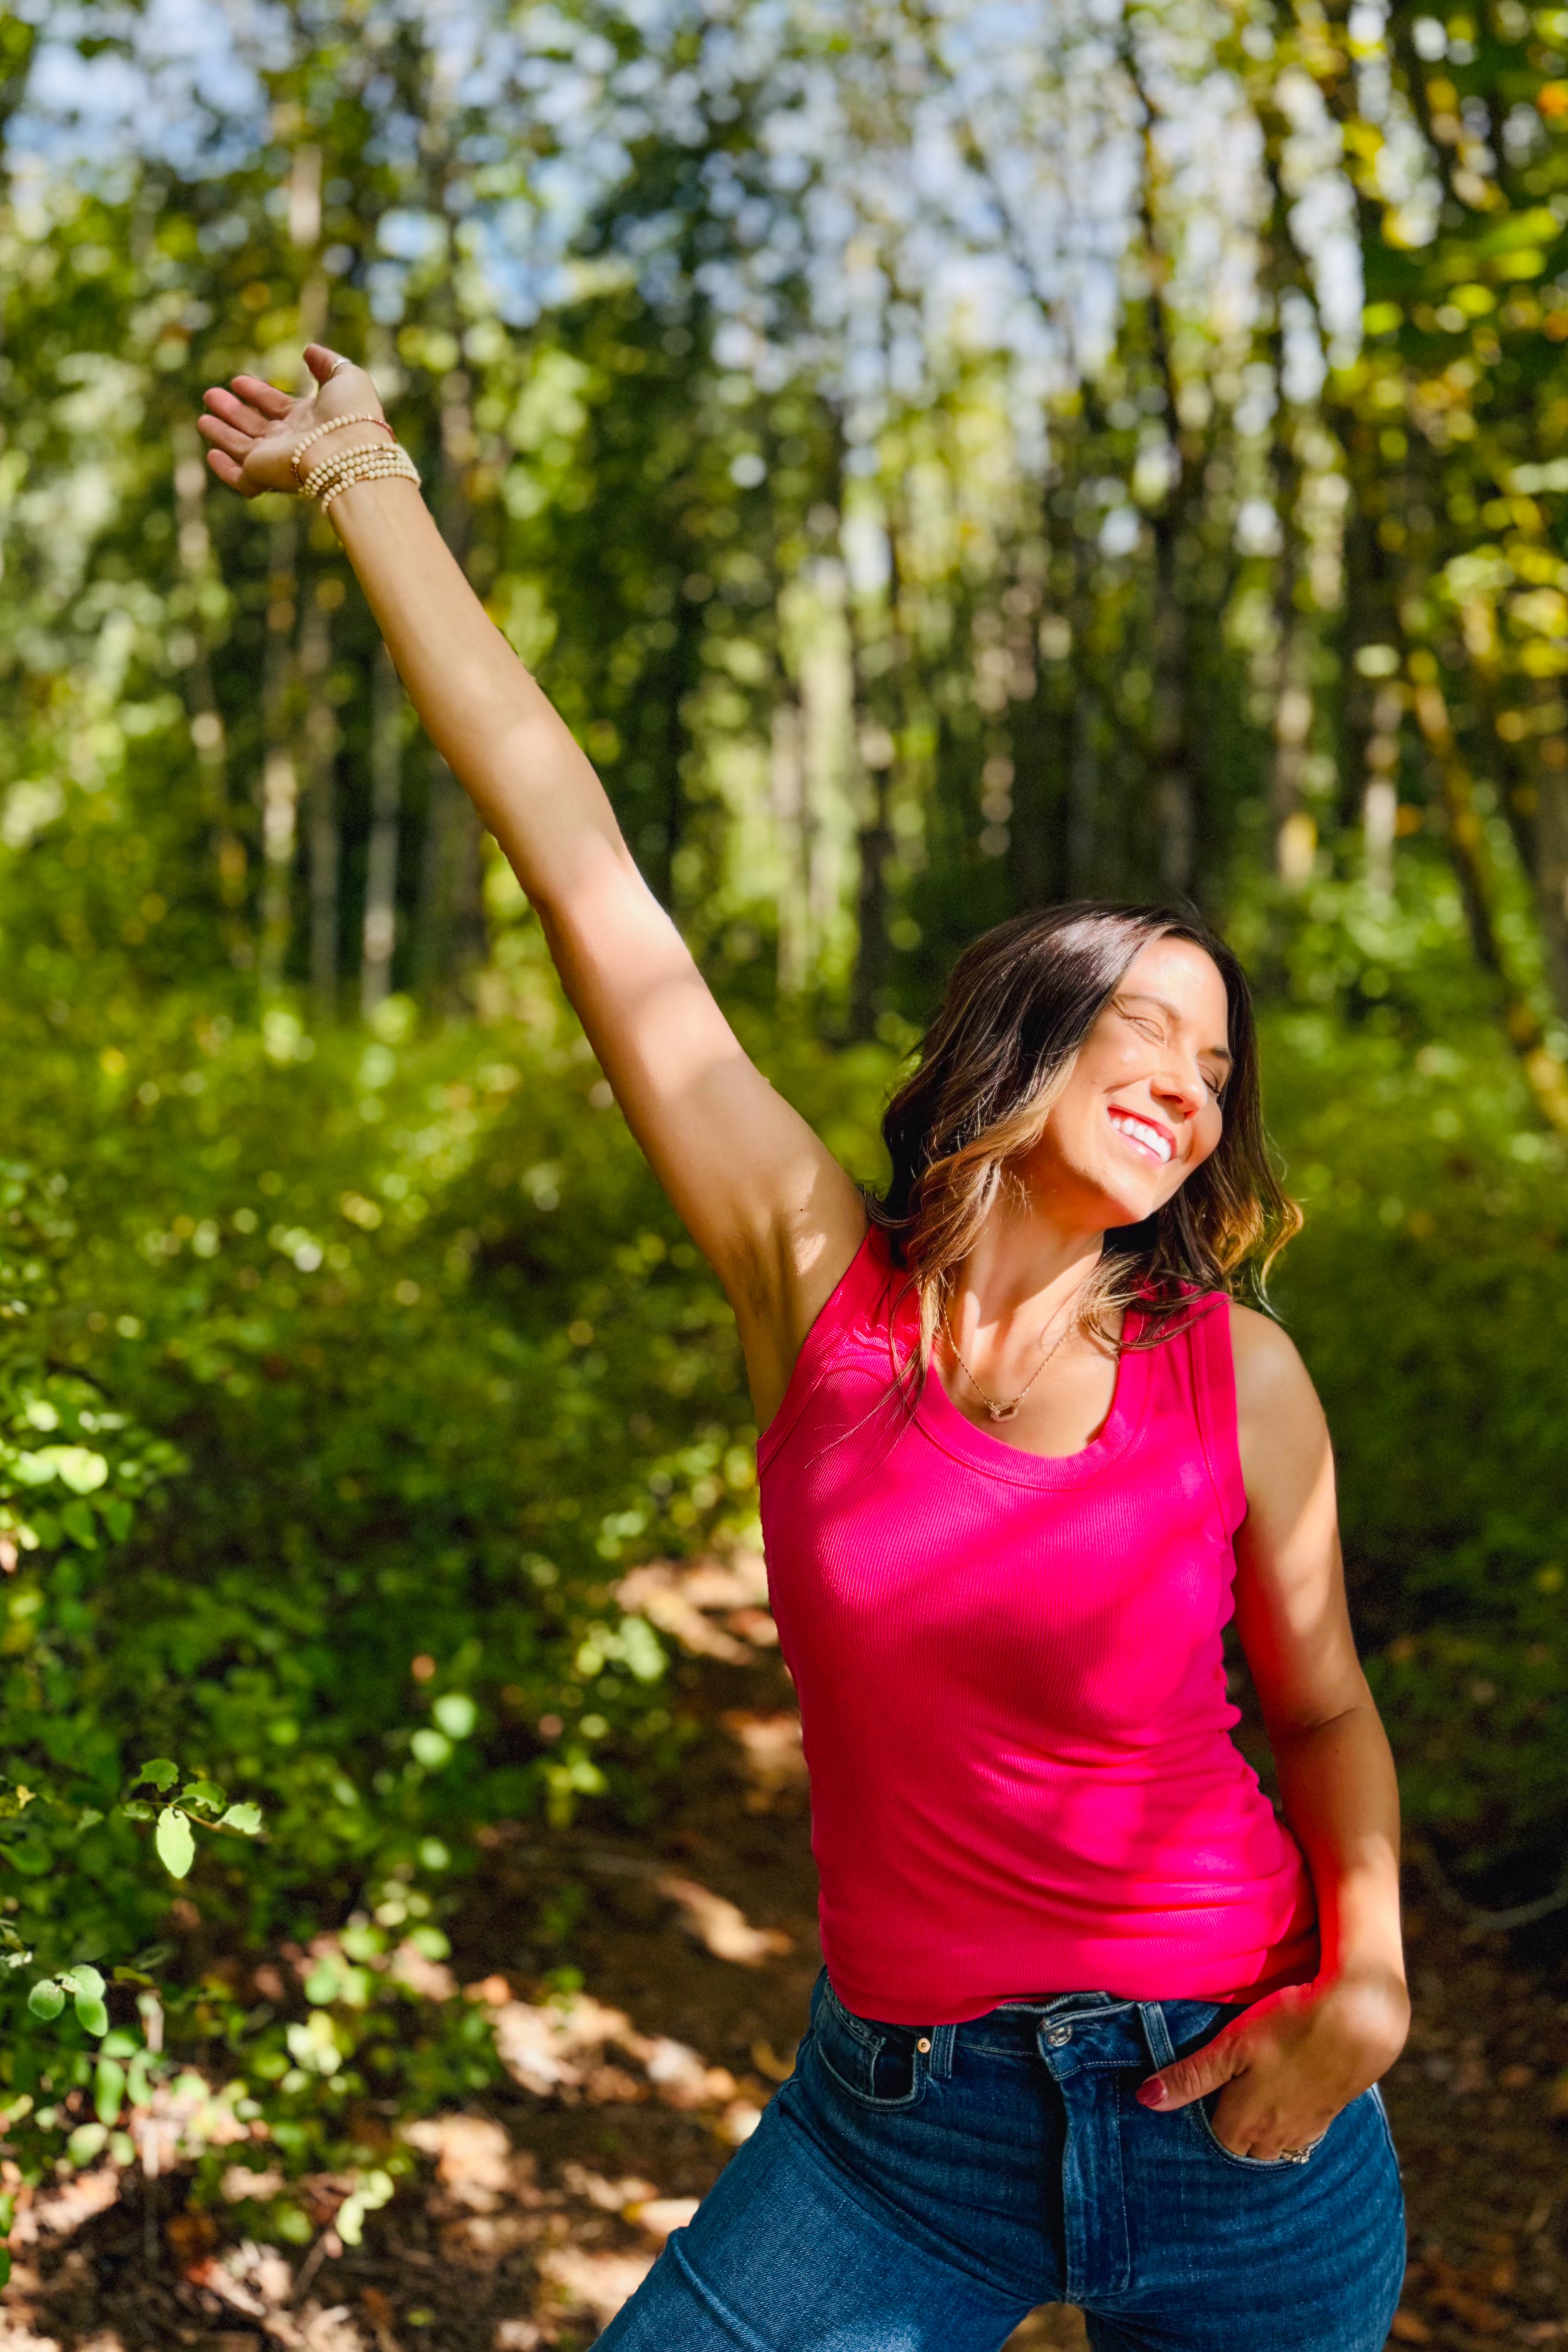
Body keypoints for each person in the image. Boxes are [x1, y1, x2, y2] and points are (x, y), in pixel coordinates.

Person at [200, 346, 1410, 2352]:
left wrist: (1368, 1977)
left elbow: (1333, 1713)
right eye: (1155, 1034)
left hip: (1245, 2119)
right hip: (897, 2137)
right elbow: (584, 868)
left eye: (1220, 1073)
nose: (1194, 1089)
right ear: (1027, 1036)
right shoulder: (817, 1286)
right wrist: (362, 475)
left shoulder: (1239, 1376)